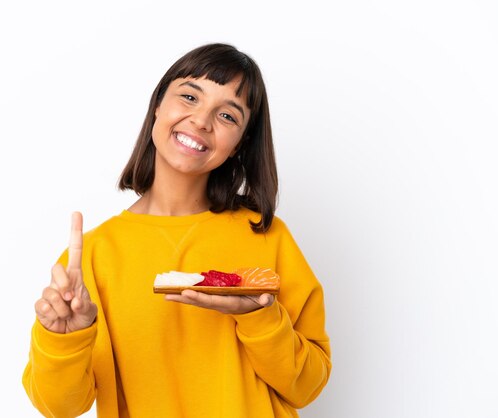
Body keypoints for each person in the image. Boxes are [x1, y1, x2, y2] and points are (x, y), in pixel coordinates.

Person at [22, 43, 331, 418]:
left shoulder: (267, 237)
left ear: (239, 145)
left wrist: (260, 317)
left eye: (228, 116)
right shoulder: (92, 256)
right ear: (157, 105)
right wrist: (64, 338)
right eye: (189, 97)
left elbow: (307, 386)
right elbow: (60, 407)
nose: (201, 121)